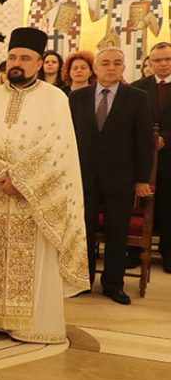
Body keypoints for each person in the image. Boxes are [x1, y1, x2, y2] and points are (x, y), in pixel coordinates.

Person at [0, 27, 89, 343]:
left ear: (40, 63)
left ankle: (29, 323)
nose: (17, 63)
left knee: (31, 261)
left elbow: (57, 150)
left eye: (25, 57)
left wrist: (20, 179)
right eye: (12, 57)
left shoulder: (56, 99)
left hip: (33, 199)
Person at [70, 48, 154, 304]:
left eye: (117, 63)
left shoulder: (137, 98)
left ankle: (113, 284)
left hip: (121, 177)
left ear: (123, 67)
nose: (111, 67)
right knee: (83, 230)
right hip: (84, 176)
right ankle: (82, 280)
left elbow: (144, 141)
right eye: (105, 63)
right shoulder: (78, 98)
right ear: (95, 68)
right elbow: (69, 138)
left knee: (117, 232)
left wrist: (141, 179)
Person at [132, 41, 171, 272]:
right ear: (150, 62)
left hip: (169, 160)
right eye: (158, 60)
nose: (163, 64)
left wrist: (165, 138)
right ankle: (133, 254)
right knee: (138, 207)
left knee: (168, 210)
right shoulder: (138, 88)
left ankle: (168, 256)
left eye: (167, 59)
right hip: (143, 161)